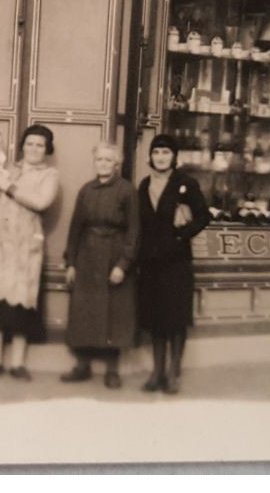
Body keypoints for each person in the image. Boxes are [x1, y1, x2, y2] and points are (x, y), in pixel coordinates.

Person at [0, 125, 60, 381]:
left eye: (40, 145)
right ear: (22, 146)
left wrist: (8, 187)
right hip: (0, 243)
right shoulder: (10, 169)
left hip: (26, 243)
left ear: (47, 150)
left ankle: (18, 363)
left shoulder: (50, 175)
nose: (34, 149)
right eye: (29, 143)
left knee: (21, 301)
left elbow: (41, 202)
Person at [60, 143, 140, 389]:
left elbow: (134, 231)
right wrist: (71, 262)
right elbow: (75, 228)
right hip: (87, 256)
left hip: (114, 255)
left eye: (108, 160)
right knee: (84, 310)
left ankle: (112, 370)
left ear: (117, 164)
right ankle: (82, 366)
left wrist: (122, 265)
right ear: (94, 163)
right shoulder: (86, 190)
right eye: (99, 160)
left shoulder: (127, 191)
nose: (103, 164)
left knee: (113, 312)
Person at [136, 134, 212, 394]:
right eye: (156, 152)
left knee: (175, 318)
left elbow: (204, 216)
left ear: (174, 156)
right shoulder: (145, 184)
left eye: (166, 152)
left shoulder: (186, 183)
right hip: (151, 262)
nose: (160, 157)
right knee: (157, 318)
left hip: (177, 261)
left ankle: (174, 372)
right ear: (151, 156)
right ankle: (157, 372)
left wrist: (183, 234)